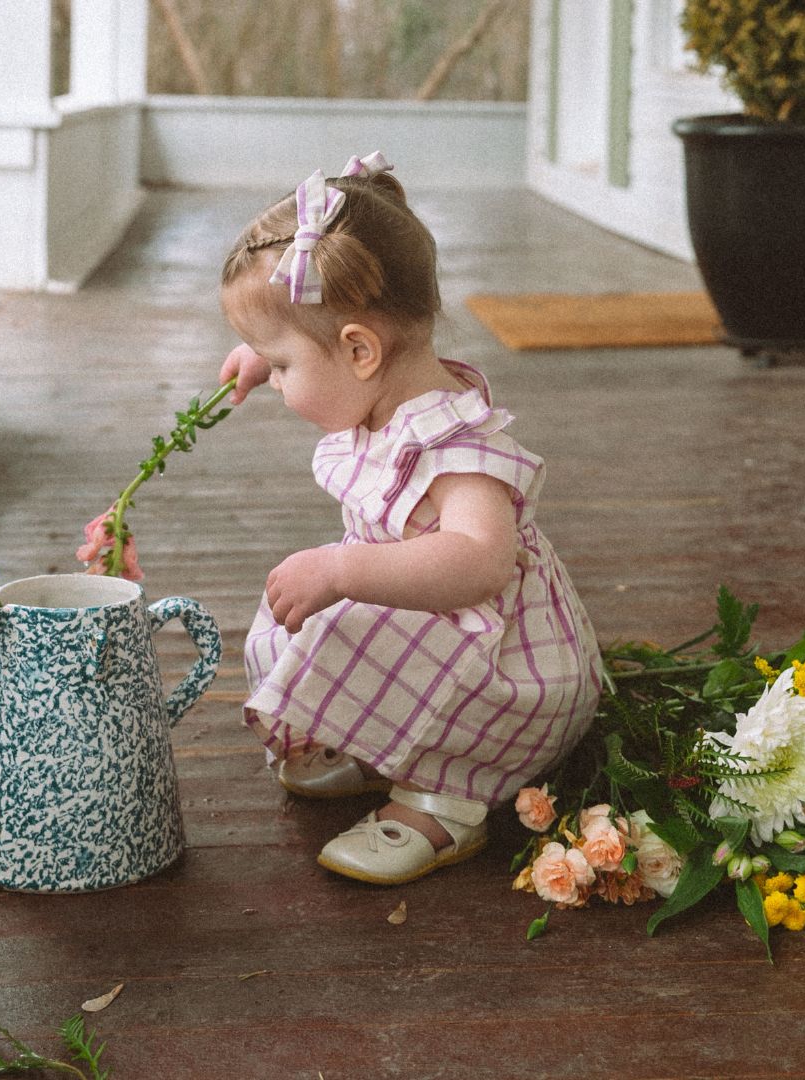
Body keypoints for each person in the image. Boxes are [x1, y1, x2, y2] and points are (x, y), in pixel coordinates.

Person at [219, 151, 602, 886]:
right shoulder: (384, 389)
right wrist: (264, 352)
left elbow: (480, 563)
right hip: (430, 621)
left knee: (337, 614)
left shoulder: (457, 448)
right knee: (314, 624)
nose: (277, 380)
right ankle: (382, 744)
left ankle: (442, 801)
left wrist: (341, 568)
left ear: (359, 350)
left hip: (504, 675)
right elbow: (316, 339)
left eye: (284, 366)